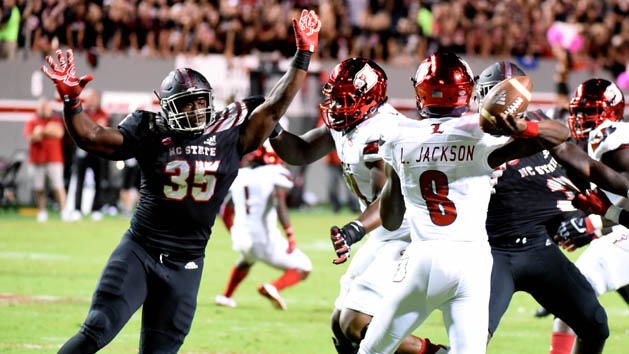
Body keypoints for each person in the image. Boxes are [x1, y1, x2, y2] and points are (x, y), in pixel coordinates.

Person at [40, 8, 320, 353]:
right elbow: (94, 137)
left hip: (187, 262)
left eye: (201, 102)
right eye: (187, 104)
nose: (195, 110)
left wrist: (303, 54)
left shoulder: (230, 132)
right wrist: (71, 101)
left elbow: (275, 106)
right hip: (140, 250)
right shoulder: (149, 128)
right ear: (168, 107)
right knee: (97, 328)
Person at [357, 51, 571, 354]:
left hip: (424, 257)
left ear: (421, 92)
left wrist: (398, 169)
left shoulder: (397, 135)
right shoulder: (481, 133)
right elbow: (561, 135)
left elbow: (392, 219)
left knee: (371, 350)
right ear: (466, 91)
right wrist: (524, 127)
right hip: (473, 261)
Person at [271, 57, 446, 354]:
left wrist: (354, 230)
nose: (337, 106)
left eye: (345, 99)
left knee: (356, 322)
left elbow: (389, 199)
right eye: (335, 99)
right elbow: (299, 152)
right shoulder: (349, 123)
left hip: (409, 234)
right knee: (340, 325)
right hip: (385, 235)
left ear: (369, 97)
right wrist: (270, 124)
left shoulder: (384, 130)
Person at [477, 62, 629, 354]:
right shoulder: (472, 135)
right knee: (472, 339)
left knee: (595, 323)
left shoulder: (541, 124)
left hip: (540, 249)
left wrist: (595, 220)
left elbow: (567, 145)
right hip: (497, 251)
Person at [547, 78, 629, 354]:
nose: (581, 118)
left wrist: (597, 221)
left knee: (574, 294)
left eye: (589, 110)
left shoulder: (612, 139)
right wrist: (605, 215)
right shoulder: (598, 143)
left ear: (611, 110)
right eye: (578, 111)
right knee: (575, 295)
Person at [215, 144, 312, 310]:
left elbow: (225, 211)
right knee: (305, 267)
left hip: (242, 237)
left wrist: (233, 232)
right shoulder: (273, 174)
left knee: (246, 260)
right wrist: (290, 234)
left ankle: (226, 296)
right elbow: (280, 202)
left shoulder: (240, 175)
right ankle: (273, 287)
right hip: (264, 238)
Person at [24, 97, 69, 222]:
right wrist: (47, 131)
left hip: (54, 158)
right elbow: (31, 137)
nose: (44, 110)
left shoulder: (56, 119)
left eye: (46, 107)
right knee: (39, 187)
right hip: (37, 159)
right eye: (42, 107)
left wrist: (41, 131)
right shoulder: (32, 121)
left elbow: (58, 133)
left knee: (58, 186)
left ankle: (64, 211)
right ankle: (42, 211)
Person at [72, 88, 108, 220]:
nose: (93, 100)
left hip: (98, 150)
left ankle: (96, 209)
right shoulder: (81, 112)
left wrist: (90, 129)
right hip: (83, 149)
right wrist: (93, 128)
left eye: (95, 97)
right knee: (79, 180)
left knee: (98, 180)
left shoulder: (102, 113)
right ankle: (77, 209)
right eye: (91, 97)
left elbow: (103, 129)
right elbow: (82, 129)